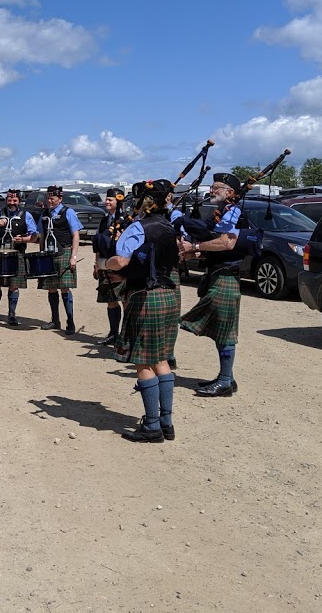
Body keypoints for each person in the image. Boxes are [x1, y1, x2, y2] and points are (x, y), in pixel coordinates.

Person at [98, 179, 180, 442]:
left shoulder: (138, 227)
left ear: (145, 202)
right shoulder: (169, 225)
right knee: (162, 359)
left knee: (143, 360)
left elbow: (121, 261)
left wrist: (104, 264)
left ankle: (153, 427)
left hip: (145, 296)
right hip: (169, 294)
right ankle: (166, 422)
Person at [178, 173, 244, 398]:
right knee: (220, 329)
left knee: (225, 330)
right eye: (212, 186)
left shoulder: (235, 211)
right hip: (217, 274)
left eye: (217, 187)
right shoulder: (221, 213)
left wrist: (195, 246)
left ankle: (225, 381)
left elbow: (227, 243)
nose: (211, 191)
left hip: (227, 276)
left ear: (230, 192)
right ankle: (227, 378)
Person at [0, 189, 38, 326]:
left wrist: (24, 239)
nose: (11, 203)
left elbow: (35, 236)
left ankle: (12, 315)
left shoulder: (27, 215)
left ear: (19, 201)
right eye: (9, 200)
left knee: (14, 286)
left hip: (17, 253)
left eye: (14, 200)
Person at [36, 185, 82, 334]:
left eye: (53, 198)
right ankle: (55, 320)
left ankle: (70, 322)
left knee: (64, 287)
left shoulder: (68, 212)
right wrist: (41, 254)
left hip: (65, 252)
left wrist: (73, 257)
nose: (50, 200)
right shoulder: (44, 214)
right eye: (48, 197)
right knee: (51, 287)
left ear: (60, 198)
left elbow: (76, 235)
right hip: (48, 254)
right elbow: (41, 236)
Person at [92, 188, 129, 345]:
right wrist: (96, 264)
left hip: (120, 265)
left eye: (110, 199)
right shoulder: (104, 220)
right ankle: (113, 333)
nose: (107, 202)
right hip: (105, 264)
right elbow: (99, 244)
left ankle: (127, 336)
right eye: (107, 199)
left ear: (119, 201)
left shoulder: (127, 220)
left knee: (125, 301)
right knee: (110, 299)